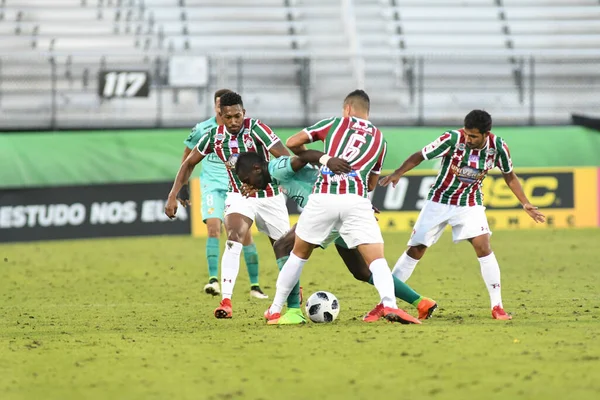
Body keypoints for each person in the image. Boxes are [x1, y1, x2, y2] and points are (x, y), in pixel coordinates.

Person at [263, 89, 421, 325]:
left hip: (324, 195)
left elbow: (292, 142)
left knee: (297, 255)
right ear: (367, 111)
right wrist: (366, 204)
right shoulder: (380, 139)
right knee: (376, 260)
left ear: (347, 108)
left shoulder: (335, 123)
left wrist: (324, 159)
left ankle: (277, 310)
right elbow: (371, 181)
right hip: (356, 201)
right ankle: (390, 305)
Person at [380, 110, 546, 320]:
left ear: (486, 134)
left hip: (469, 203)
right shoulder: (452, 139)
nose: (468, 139)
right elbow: (420, 155)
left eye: (474, 136)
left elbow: (509, 176)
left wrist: (525, 203)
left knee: (483, 246)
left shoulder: (499, 148)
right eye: (467, 134)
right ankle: (384, 303)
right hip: (438, 201)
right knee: (416, 250)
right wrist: (398, 172)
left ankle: (497, 306)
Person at [235, 151, 437, 325]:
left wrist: (326, 159)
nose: (247, 184)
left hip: (325, 211)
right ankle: (420, 302)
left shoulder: (278, 167)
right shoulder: (273, 175)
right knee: (361, 270)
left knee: (283, 246)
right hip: (338, 213)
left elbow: (303, 157)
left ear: (257, 168)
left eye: (246, 180)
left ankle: (293, 309)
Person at [165, 91, 291, 319]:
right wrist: (173, 194)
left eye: (238, 116)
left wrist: (264, 179)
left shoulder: (257, 129)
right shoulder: (213, 136)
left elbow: (285, 158)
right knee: (233, 237)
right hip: (238, 196)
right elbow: (188, 163)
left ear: (244, 113)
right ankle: (226, 301)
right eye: (228, 117)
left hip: (270, 196)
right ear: (220, 115)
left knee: (283, 249)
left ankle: (292, 293)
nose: (234, 121)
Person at [177, 89, 266, 299]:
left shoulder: (245, 129)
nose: (221, 108)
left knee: (244, 235)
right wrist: (183, 184)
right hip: (212, 185)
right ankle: (213, 280)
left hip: (235, 186)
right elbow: (188, 156)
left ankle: (255, 285)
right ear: (216, 107)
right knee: (213, 228)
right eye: (218, 105)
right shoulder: (203, 129)